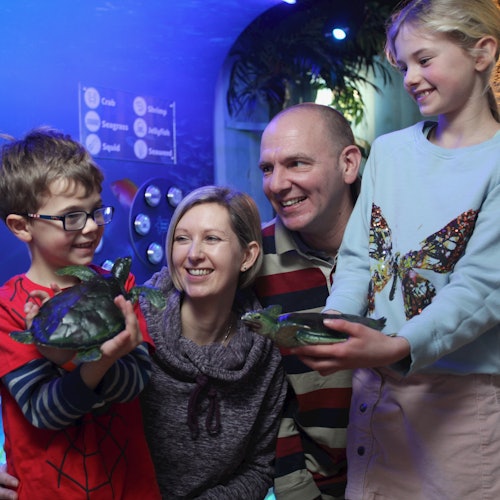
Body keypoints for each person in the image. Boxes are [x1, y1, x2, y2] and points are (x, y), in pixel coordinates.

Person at [291, 0, 500, 498]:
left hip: (458, 401)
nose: (410, 77)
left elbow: (482, 286)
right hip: (374, 386)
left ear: (482, 53)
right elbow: (361, 255)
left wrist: (402, 346)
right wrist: (334, 324)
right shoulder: (389, 149)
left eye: (424, 60)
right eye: (403, 65)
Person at [0, 128, 160, 499]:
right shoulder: (8, 310)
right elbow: (43, 411)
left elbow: (136, 382)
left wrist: (70, 361)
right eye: (71, 217)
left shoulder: (120, 284)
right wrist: (87, 361)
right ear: (22, 226)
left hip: (131, 488)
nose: (91, 227)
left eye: (95, 211)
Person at [138, 185, 288, 499]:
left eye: (212, 238)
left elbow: (260, 468)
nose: (193, 254)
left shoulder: (264, 354)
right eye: (182, 238)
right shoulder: (134, 326)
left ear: (247, 256)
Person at [254, 103, 362, 499]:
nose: (277, 184)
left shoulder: (403, 242)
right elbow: (260, 396)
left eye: (297, 163)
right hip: (315, 487)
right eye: (267, 168)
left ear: (348, 165)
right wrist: (295, 486)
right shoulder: (253, 261)